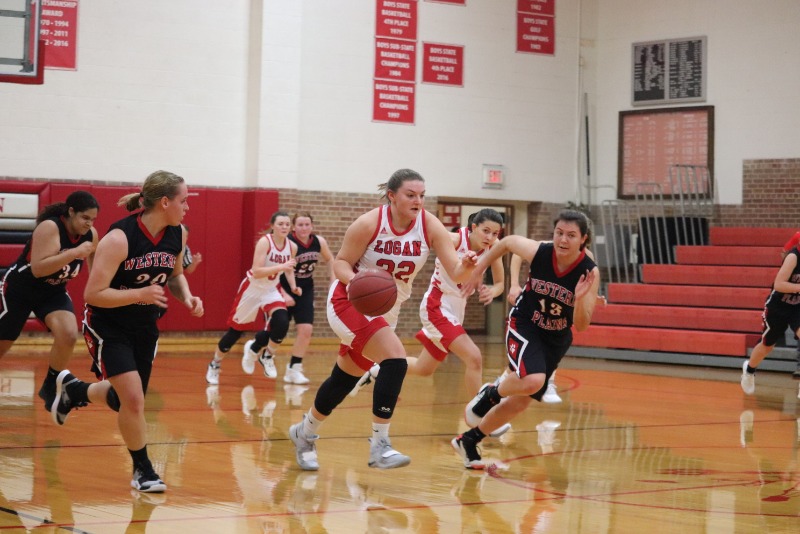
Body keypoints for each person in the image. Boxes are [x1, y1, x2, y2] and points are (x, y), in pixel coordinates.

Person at [288, 168, 476, 471]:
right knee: (396, 359)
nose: (418, 201)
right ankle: (380, 445)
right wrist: (358, 282)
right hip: (349, 301)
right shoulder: (369, 223)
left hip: (386, 309)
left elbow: (456, 272)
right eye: (410, 195)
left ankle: (304, 432)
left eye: (422, 195)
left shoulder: (430, 225)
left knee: (344, 378)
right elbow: (340, 264)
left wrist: (466, 265)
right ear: (392, 195)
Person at [56, 170, 204, 492]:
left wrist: (188, 297)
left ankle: (74, 391)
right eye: (183, 200)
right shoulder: (119, 238)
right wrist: (139, 294)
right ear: (164, 202)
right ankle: (143, 470)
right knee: (134, 401)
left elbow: (175, 275)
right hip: (107, 325)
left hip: (144, 326)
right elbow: (93, 294)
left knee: (123, 400)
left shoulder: (178, 234)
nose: (187, 207)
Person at [452, 209, 600, 469]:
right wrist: (479, 269)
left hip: (556, 337)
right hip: (526, 322)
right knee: (533, 380)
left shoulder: (588, 272)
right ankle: (490, 393)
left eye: (571, 235)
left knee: (521, 400)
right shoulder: (541, 251)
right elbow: (507, 243)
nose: (563, 240)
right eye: (559, 233)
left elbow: (582, 325)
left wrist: (578, 299)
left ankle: (469, 440)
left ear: (583, 239)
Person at [350, 209, 505, 405]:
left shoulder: (494, 247)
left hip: (457, 309)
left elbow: (500, 283)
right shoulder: (454, 240)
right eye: (486, 231)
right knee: (474, 358)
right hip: (437, 305)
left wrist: (492, 291)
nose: (490, 237)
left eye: (495, 233)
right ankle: (479, 413)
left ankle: (378, 370)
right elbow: (423, 236)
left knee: (424, 368)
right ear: (474, 227)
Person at [0, 191, 99, 424]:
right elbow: (38, 269)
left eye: (93, 219)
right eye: (85, 218)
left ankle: (50, 386)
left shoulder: (90, 235)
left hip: (52, 291)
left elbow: (95, 265)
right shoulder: (50, 227)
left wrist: (99, 289)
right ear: (71, 212)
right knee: (3, 344)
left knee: (68, 334)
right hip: (20, 289)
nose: (89, 224)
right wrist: (74, 253)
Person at [205, 211, 300, 385]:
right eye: (280, 224)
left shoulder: (292, 247)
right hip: (252, 288)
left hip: (270, 290)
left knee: (282, 322)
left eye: (287, 224)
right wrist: (282, 266)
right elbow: (257, 271)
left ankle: (267, 356)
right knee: (235, 332)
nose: (284, 227)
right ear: (272, 226)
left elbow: (288, 269)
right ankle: (215, 363)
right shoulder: (265, 242)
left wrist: (293, 286)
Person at [278, 212, 335, 385]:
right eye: (300, 225)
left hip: (305, 289)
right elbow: (276, 269)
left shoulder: (319, 242)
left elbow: (330, 259)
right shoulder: (287, 243)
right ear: (293, 227)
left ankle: (294, 369)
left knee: (306, 330)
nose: (304, 228)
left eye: (307, 224)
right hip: (284, 288)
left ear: (312, 226)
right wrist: (283, 293)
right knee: (277, 331)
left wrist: (333, 281)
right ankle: (257, 346)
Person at [741, 242, 800, 396]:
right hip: (777, 308)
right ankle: (749, 371)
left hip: (797, 307)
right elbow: (779, 285)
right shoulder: (793, 257)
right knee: (767, 345)